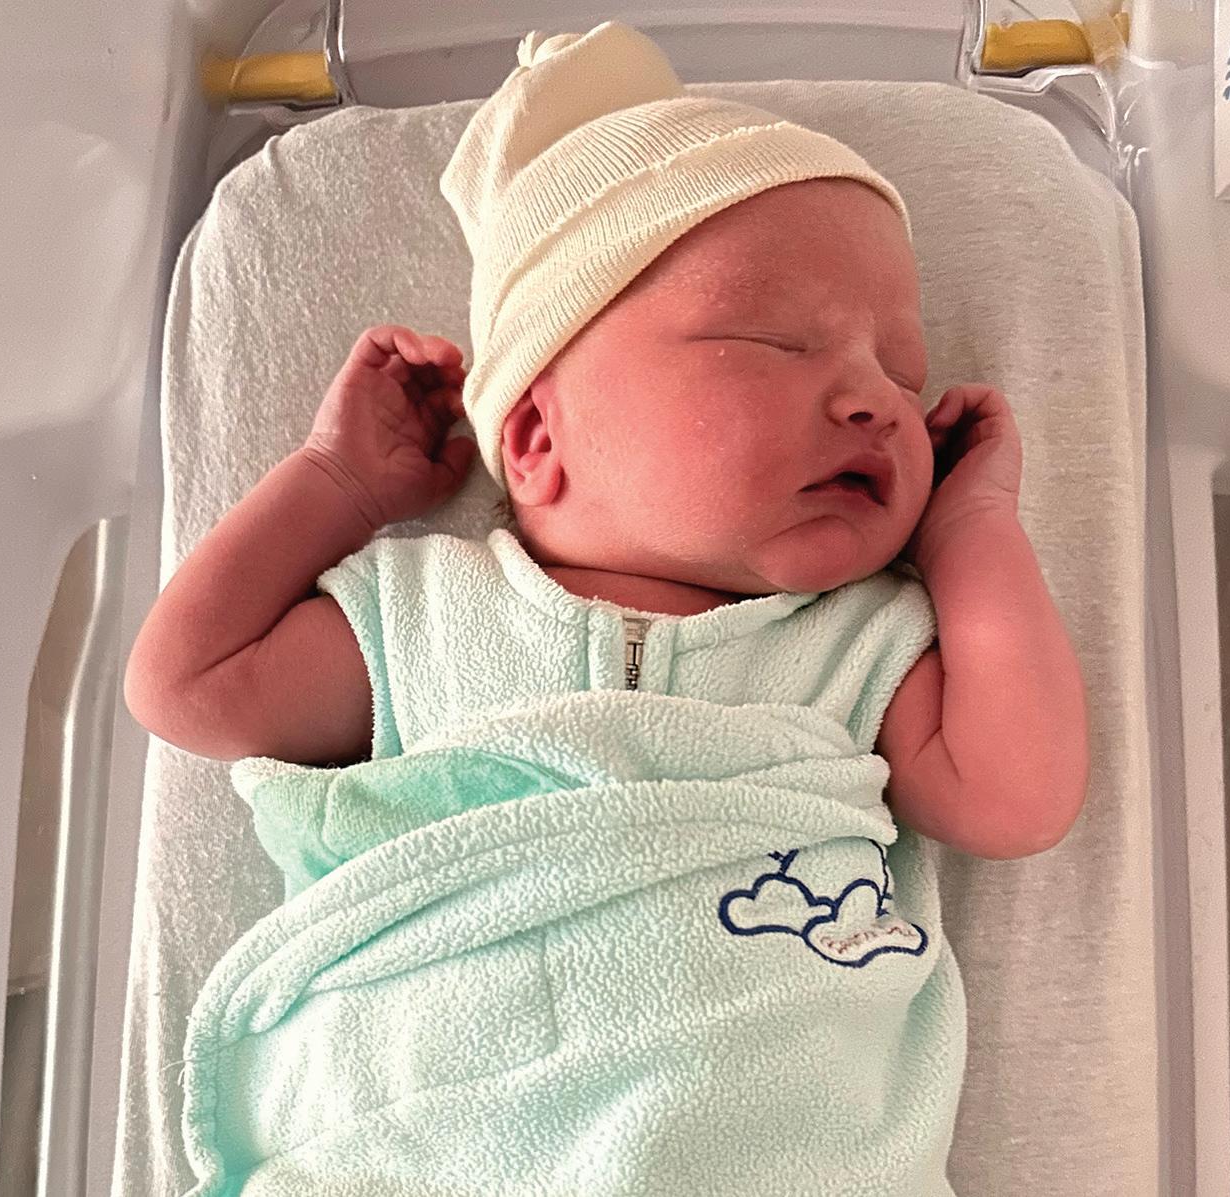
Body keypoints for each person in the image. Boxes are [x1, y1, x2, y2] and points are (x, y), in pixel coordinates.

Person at [126, 21, 1089, 1194]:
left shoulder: (858, 649)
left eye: (901, 370)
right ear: (536, 437)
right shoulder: (423, 619)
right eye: (772, 341)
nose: (875, 403)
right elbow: (186, 687)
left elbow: (1014, 795)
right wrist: (334, 486)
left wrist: (972, 535)